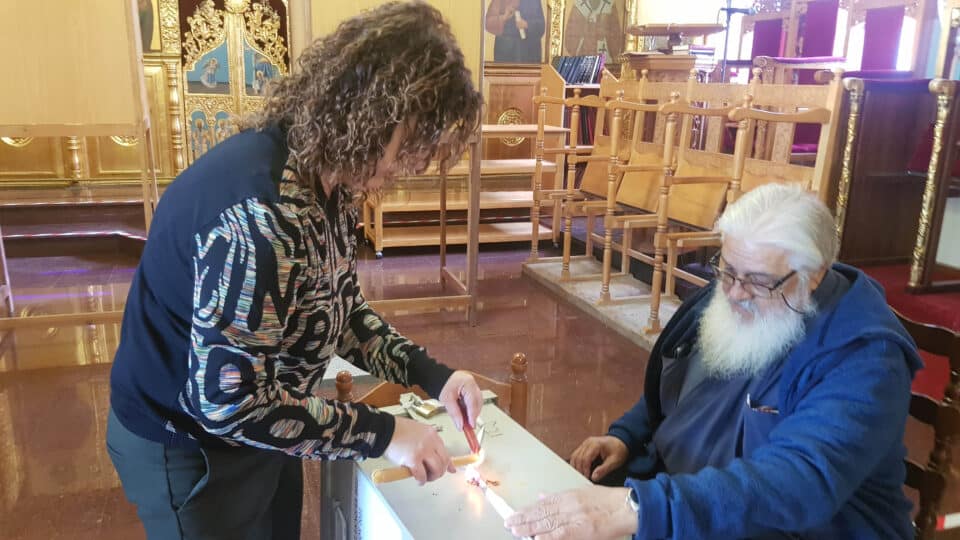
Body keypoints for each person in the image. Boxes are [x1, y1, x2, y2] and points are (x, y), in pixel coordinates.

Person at [107, 3, 484, 539]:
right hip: (191, 446)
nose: (410, 167)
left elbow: (342, 311)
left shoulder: (327, 179)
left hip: (269, 416)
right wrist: (385, 433)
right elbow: (229, 404)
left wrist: (434, 377)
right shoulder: (261, 214)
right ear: (375, 114)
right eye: (413, 145)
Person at [506, 183, 922, 539]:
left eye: (756, 281)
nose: (735, 293)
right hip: (694, 497)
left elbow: (796, 484)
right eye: (726, 270)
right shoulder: (738, 291)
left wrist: (635, 508)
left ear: (813, 275)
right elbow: (682, 383)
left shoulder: (867, 358)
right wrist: (627, 437)